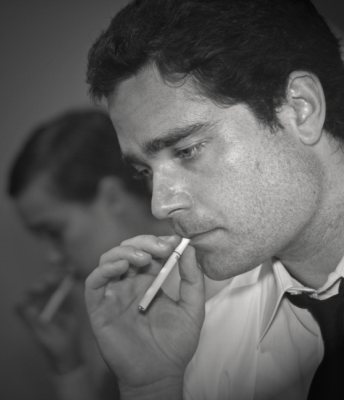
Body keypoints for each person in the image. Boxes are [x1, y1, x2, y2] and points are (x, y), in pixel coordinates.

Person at [81, 1, 344, 400]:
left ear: (300, 109)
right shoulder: (200, 349)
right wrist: (152, 387)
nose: (160, 205)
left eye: (187, 150)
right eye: (144, 172)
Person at [7, 109, 185, 400]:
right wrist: (68, 366)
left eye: (54, 232)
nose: (52, 257)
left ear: (112, 197)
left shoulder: (204, 285)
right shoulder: (127, 296)